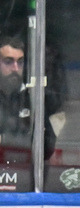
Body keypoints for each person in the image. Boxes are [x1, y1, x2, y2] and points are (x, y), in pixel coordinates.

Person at [0, 35, 55, 166]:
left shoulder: (31, 99)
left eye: (20, 62)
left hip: (25, 176)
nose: (15, 68)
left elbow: (48, 146)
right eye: (8, 61)